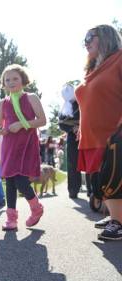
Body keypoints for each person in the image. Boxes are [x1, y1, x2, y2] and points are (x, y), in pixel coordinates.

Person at [75, 24, 122, 240]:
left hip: (113, 132)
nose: (85, 42)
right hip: (93, 135)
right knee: (101, 180)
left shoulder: (119, 59)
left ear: (104, 37)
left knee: (112, 177)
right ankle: (116, 216)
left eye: (89, 37)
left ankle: (118, 222)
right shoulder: (93, 69)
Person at [0, 64, 47, 231]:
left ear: (23, 80)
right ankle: (11, 219)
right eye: (7, 79)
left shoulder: (31, 97)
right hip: (9, 145)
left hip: (26, 144)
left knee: (20, 180)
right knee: (10, 181)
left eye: (15, 78)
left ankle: (36, 208)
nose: (11, 82)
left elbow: (42, 121)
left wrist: (21, 124)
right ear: (3, 83)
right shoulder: (1, 103)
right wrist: (0, 130)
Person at [58, 83, 83, 198]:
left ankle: (93, 190)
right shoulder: (64, 108)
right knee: (73, 164)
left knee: (90, 161)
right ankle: (73, 189)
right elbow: (61, 124)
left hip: (86, 135)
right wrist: (73, 128)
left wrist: (81, 126)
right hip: (73, 138)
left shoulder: (83, 101)